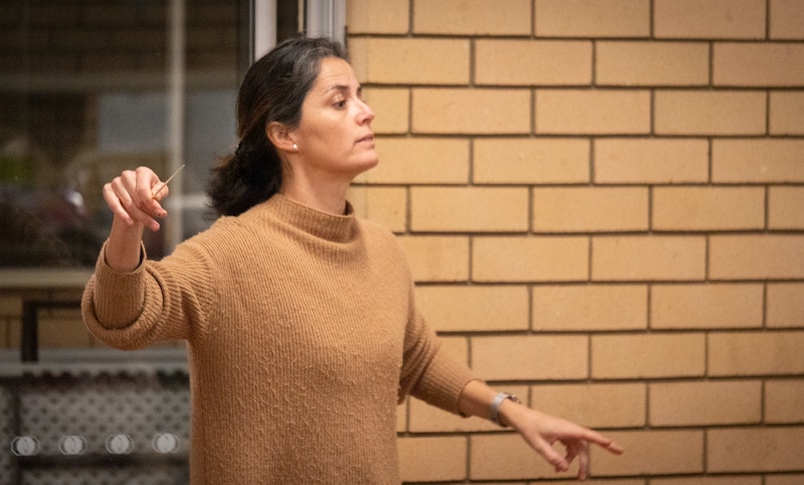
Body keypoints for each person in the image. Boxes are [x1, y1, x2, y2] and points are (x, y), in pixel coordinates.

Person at [81, 37, 623, 484]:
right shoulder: (231, 251)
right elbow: (124, 318)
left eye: (359, 96)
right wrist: (127, 229)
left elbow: (416, 358)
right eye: (340, 102)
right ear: (284, 133)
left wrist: (513, 412)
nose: (366, 112)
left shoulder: (381, 248)